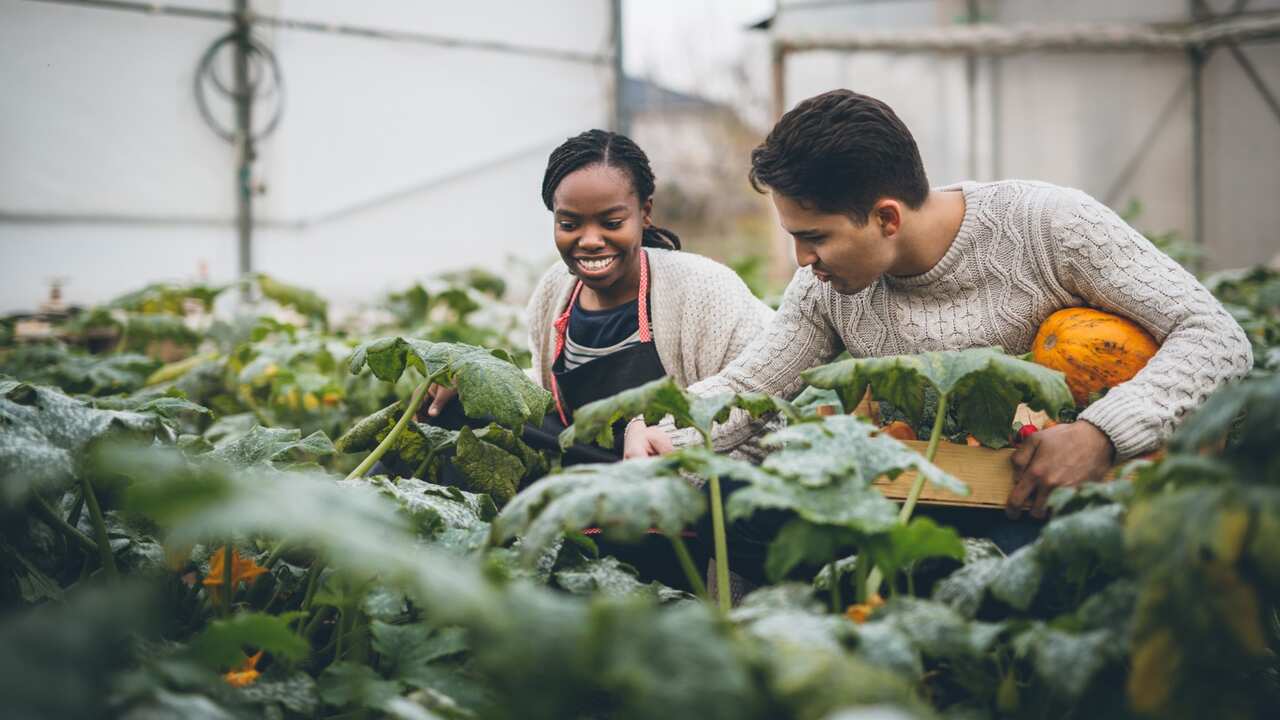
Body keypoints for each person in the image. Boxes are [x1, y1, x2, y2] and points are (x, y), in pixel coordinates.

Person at [624, 89, 1253, 523]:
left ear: (887, 218)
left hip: (1100, 512)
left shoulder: (1050, 226)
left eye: (815, 237)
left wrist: (1101, 435)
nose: (802, 259)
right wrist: (664, 434)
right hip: (928, 518)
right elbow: (750, 387)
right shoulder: (826, 288)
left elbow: (1216, 336)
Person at [421, 128, 773, 463]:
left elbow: (756, 406)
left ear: (645, 213)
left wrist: (671, 454)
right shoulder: (556, 288)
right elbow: (548, 394)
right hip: (586, 464)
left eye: (611, 223)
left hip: (676, 467)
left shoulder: (703, 289)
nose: (589, 240)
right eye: (569, 225)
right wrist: (477, 382)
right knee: (453, 408)